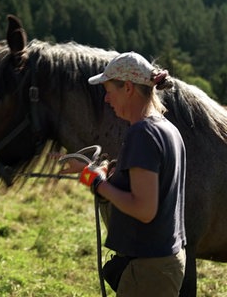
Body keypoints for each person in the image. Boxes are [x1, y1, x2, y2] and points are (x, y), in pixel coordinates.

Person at [56, 52, 187, 297]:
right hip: (164, 262)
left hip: (148, 269)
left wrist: (95, 182)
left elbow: (144, 209)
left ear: (127, 88)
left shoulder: (142, 133)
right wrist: (93, 171)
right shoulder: (167, 128)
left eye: (109, 90)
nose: (106, 99)